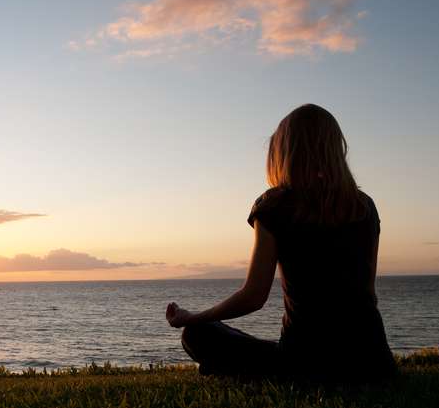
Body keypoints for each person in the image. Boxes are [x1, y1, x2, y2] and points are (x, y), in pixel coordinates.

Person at [165, 104, 396, 382]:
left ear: (284, 152)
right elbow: (368, 294)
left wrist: (193, 317)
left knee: (199, 334)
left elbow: (253, 297)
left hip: (303, 366)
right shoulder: (364, 206)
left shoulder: (274, 205)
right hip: (374, 364)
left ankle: (230, 368)